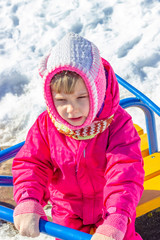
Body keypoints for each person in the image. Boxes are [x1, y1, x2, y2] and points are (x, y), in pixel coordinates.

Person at [12, 32, 144, 240]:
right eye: (61, 100)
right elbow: (32, 164)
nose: (71, 110)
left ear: (97, 91)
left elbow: (125, 173)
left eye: (81, 97)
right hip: (67, 212)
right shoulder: (46, 125)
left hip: (110, 211)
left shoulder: (117, 124)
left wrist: (117, 217)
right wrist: (28, 199)